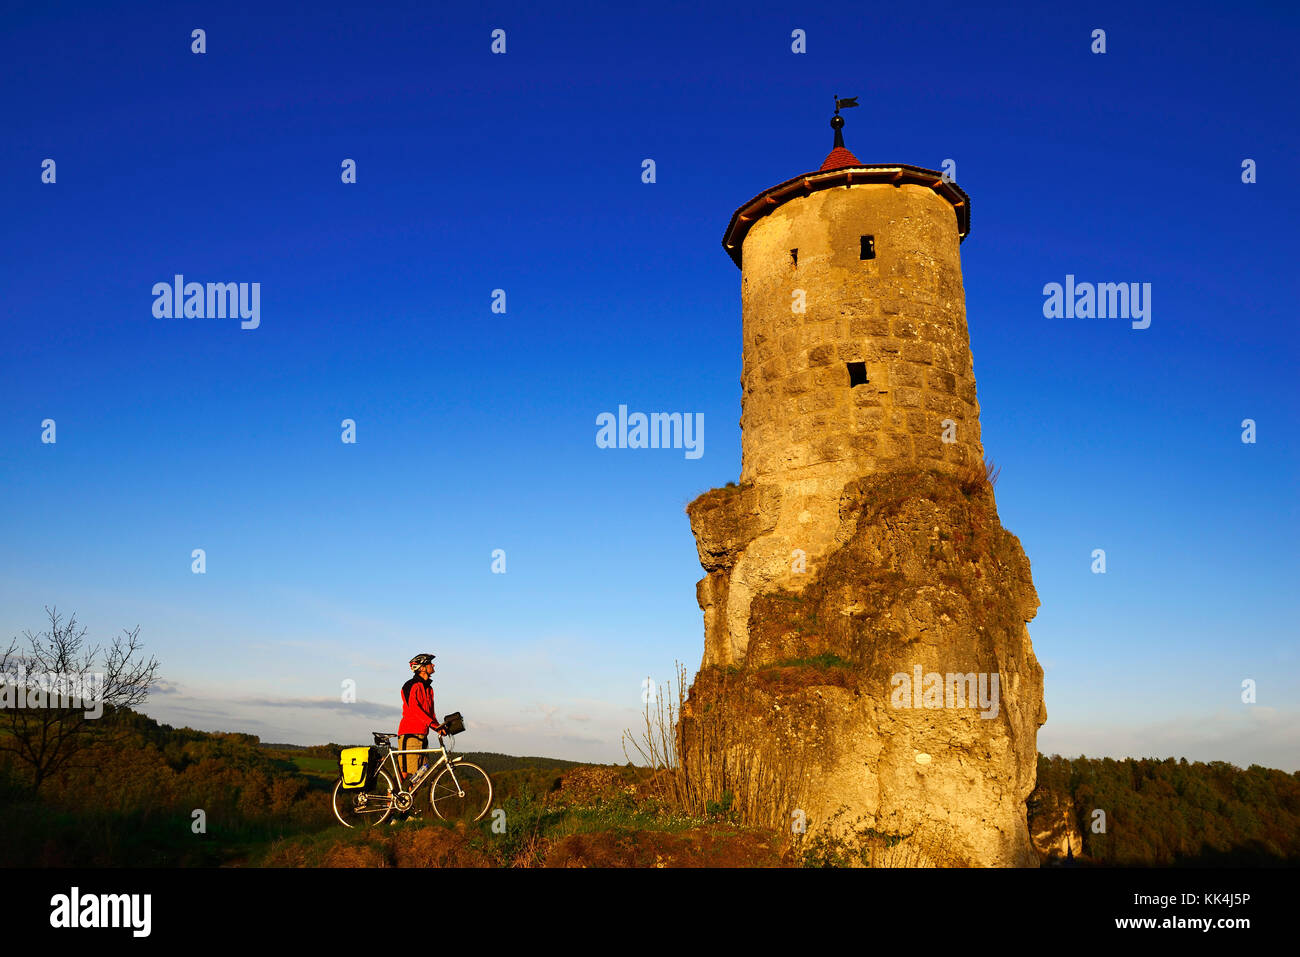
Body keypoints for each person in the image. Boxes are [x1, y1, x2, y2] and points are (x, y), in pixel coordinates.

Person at [398, 653, 446, 787]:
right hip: (410, 733)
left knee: (422, 772)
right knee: (406, 771)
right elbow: (414, 709)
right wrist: (433, 724)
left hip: (422, 734)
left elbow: (430, 713)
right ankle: (390, 801)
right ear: (422, 668)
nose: (433, 665)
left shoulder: (429, 688)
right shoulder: (411, 685)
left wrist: (439, 727)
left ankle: (406, 800)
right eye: (430, 663)